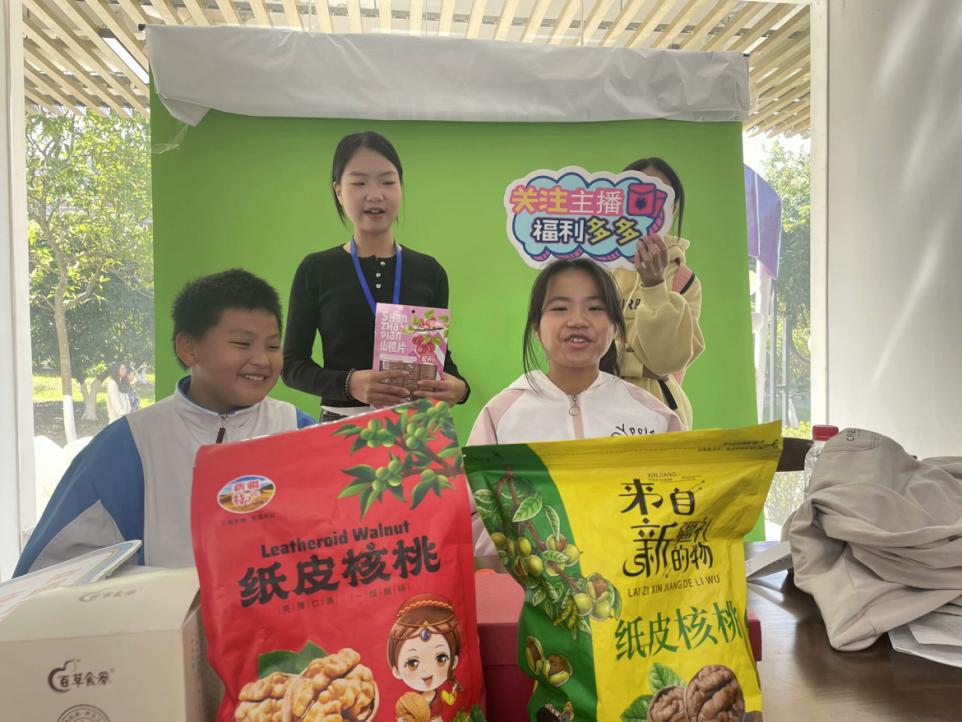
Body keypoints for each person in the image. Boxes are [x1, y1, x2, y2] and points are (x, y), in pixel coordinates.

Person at [15, 269, 315, 576]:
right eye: (242, 343)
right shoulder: (128, 446)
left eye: (273, 346)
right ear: (189, 349)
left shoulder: (301, 434)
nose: (262, 360)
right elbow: (48, 572)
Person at [467, 259, 683, 556]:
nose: (578, 320)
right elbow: (474, 516)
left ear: (615, 327)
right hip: (533, 582)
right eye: (560, 308)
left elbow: (678, 513)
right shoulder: (501, 414)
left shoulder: (654, 417)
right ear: (537, 328)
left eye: (595, 308)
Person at [283, 131, 469, 422]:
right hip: (343, 426)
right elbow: (292, 366)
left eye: (387, 181)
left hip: (417, 426)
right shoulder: (316, 269)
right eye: (359, 183)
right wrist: (349, 384)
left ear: (401, 187)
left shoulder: (429, 271)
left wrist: (460, 389)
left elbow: (438, 359)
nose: (375, 194)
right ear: (338, 191)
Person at [612, 157, 705, 429]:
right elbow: (571, 349)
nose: (645, 204)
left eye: (660, 197)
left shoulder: (684, 280)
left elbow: (665, 363)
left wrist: (653, 285)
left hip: (659, 413)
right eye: (635, 193)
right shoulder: (594, 269)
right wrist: (638, 367)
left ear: (672, 210)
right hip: (592, 402)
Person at [387, 593, 463, 722]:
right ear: (396, 671)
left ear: (454, 661)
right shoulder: (414, 701)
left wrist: (455, 691)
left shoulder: (439, 695)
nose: (427, 669)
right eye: (412, 663)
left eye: (441, 659)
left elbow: (450, 700)